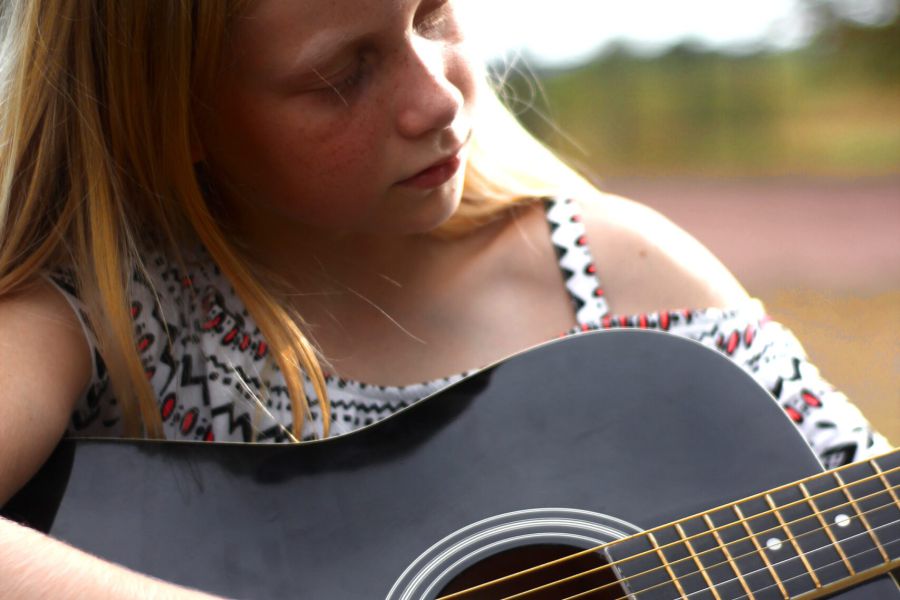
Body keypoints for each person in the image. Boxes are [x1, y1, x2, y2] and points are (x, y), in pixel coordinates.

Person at [0, 0, 891, 597]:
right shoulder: (114, 318)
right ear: (174, 118)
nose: (435, 99)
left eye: (432, 12)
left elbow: (865, 526)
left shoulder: (620, 276)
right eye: (341, 75)